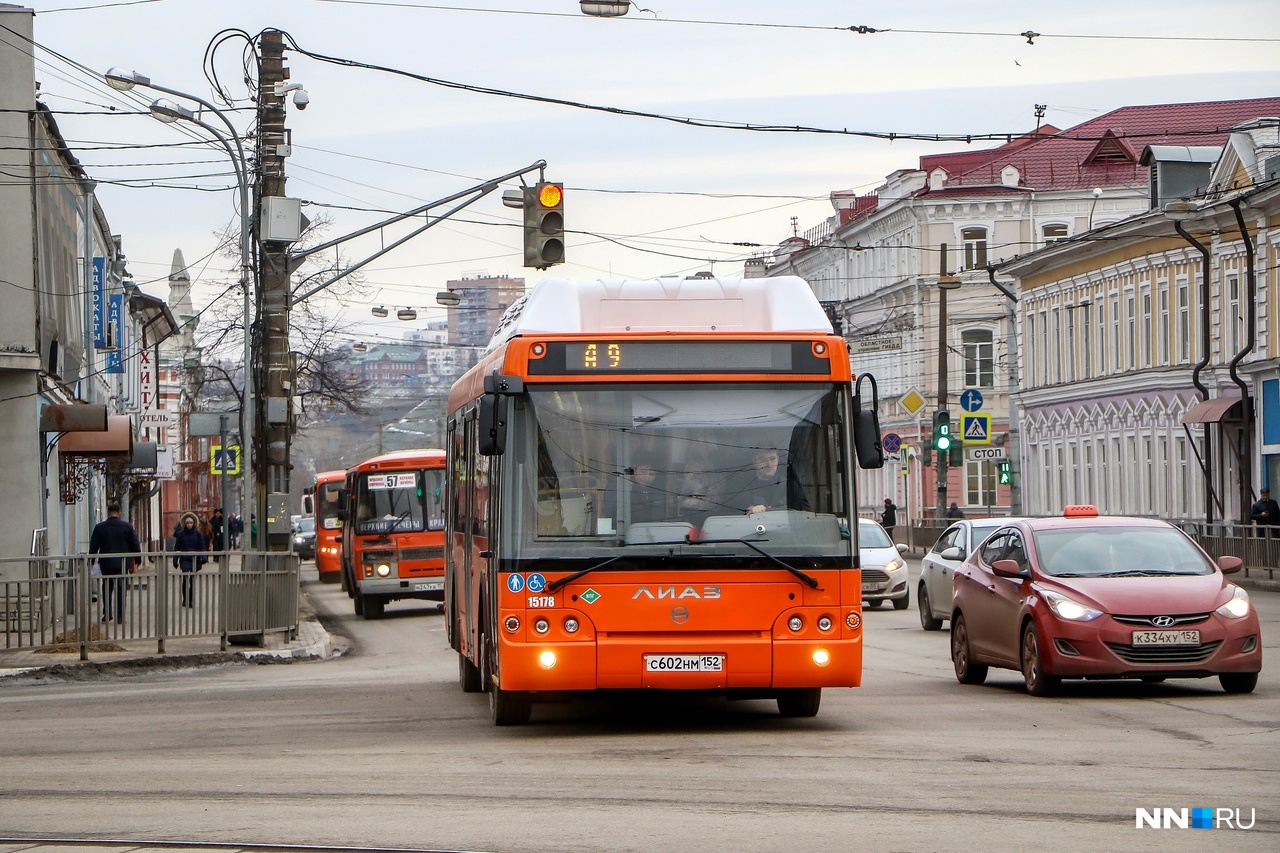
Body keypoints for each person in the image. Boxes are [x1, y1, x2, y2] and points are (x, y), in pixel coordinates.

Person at [89, 502, 141, 622]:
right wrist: (138, 559)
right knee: (121, 588)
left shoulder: (100, 527)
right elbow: (135, 544)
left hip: (106, 563)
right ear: (119, 513)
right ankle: (120, 616)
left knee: (107, 588)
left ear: (108, 513)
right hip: (122, 563)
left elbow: (93, 547)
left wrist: (91, 561)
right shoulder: (127, 526)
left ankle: (107, 614)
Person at [728, 447, 807, 514]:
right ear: (754, 461)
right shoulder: (742, 487)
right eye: (763, 459)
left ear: (778, 460)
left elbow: (805, 510)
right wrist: (749, 509)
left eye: (772, 459)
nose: (769, 464)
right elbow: (729, 509)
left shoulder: (790, 485)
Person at [172, 513, 207, 607]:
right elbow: (177, 547)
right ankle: (185, 599)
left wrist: (204, 557)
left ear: (194, 523)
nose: (189, 525)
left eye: (191, 523)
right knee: (185, 578)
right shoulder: (181, 534)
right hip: (185, 559)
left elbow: (202, 545)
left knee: (191, 579)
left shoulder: (198, 533)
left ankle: (190, 600)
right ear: (185, 524)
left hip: (195, 559)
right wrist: (175, 560)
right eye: (187, 523)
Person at [627, 458, 669, 523]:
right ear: (634, 469)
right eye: (643, 472)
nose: (647, 478)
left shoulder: (659, 493)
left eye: (652, 474)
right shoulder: (623, 489)